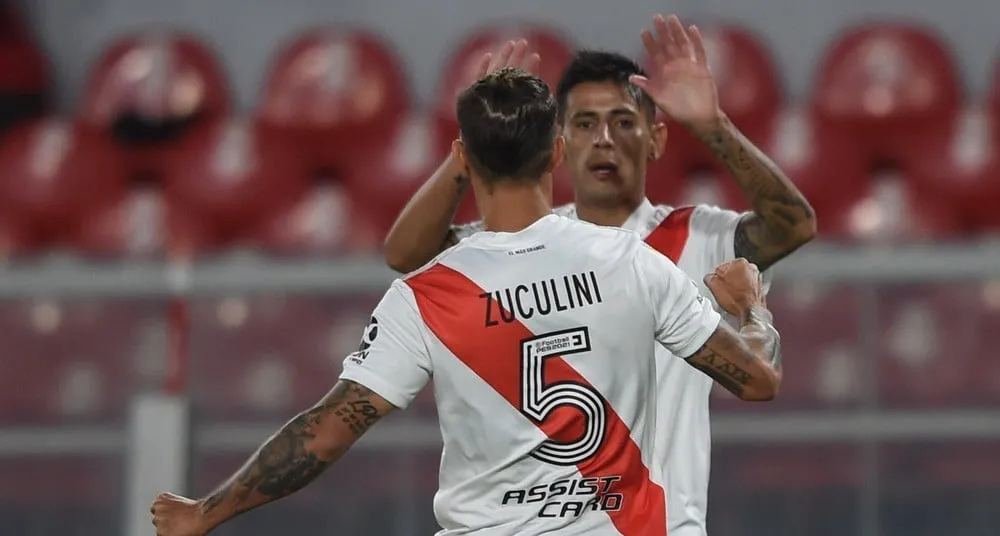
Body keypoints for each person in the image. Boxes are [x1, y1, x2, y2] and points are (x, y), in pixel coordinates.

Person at [150, 67, 782, 536]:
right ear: (558, 152)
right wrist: (751, 309)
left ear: (462, 158)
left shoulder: (426, 295)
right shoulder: (632, 261)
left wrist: (207, 512)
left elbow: (325, 432)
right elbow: (757, 379)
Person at [382, 13, 816, 536]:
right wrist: (476, 144)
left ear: (656, 138)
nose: (604, 139)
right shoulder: (517, 242)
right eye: (585, 123)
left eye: (624, 122)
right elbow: (407, 254)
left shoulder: (698, 237)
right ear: (558, 142)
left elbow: (793, 226)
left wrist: (712, 127)